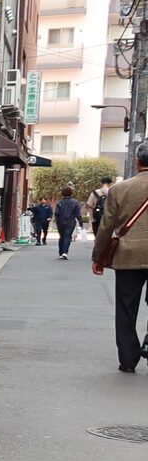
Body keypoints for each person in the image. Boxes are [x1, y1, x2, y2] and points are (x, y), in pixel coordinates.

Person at [92, 143, 148, 373]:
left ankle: (128, 359)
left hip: (128, 255)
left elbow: (106, 226)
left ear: (137, 161)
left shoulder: (119, 189)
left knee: (126, 307)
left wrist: (98, 257)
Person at [55, 186, 83, 259]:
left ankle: (60, 253)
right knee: (67, 236)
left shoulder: (59, 202)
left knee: (61, 236)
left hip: (60, 222)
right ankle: (65, 252)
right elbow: (78, 214)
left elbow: (56, 213)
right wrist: (81, 223)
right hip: (71, 222)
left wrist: (57, 220)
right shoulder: (75, 202)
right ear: (71, 193)